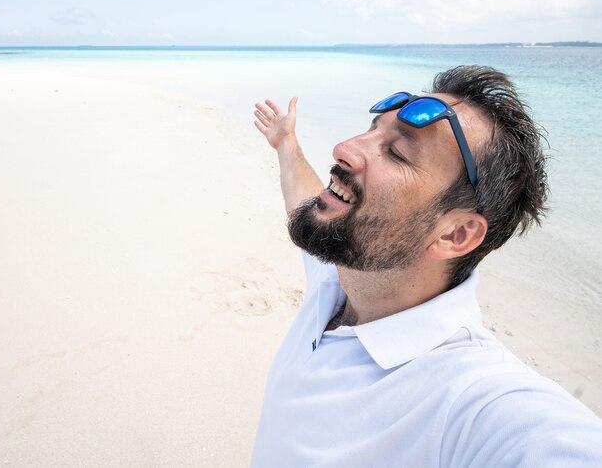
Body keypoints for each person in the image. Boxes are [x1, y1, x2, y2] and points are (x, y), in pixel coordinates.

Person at [250, 65, 602, 467]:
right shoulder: (343, 277)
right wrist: (285, 144)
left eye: (397, 152)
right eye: (372, 130)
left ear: (455, 234)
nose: (345, 147)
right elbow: (316, 201)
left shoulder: (473, 400)